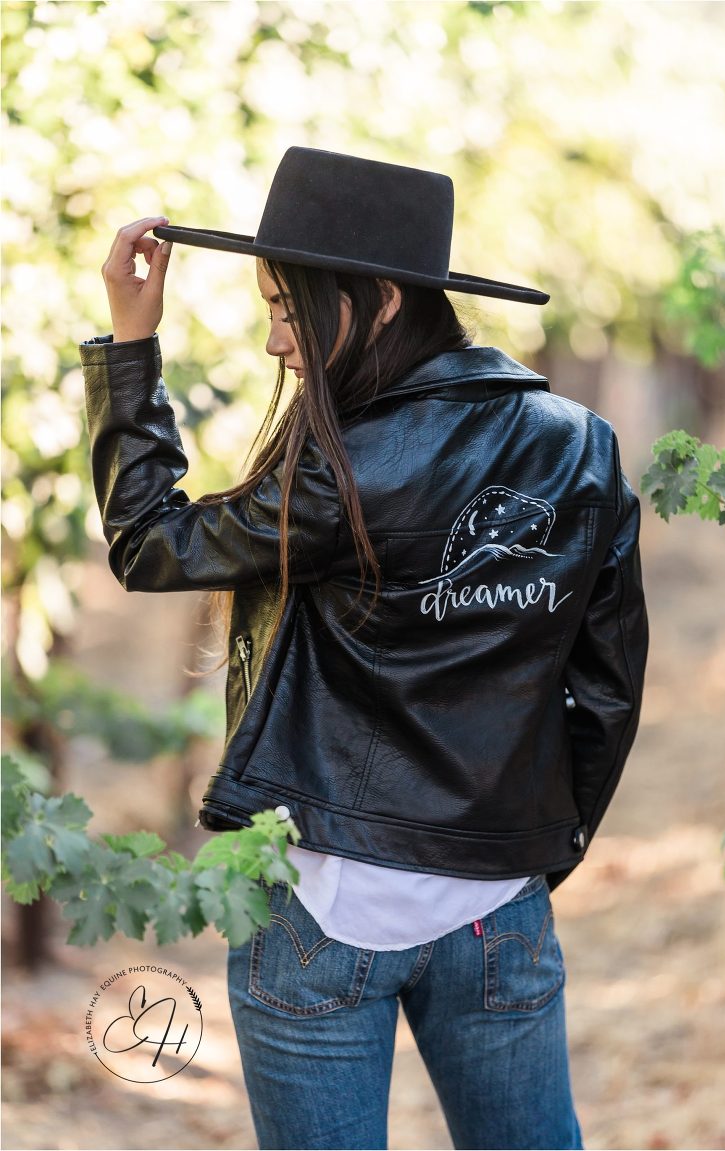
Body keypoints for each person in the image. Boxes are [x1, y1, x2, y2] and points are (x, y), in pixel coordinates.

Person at [81, 147, 648, 1151]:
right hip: (497, 911)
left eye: (289, 309)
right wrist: (523, 858)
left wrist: (132, 347)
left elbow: (149, 541)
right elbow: (605, 694)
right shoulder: (584, 445)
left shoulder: (340, 466)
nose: (274, 343)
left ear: (380, 300)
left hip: (319, 907)